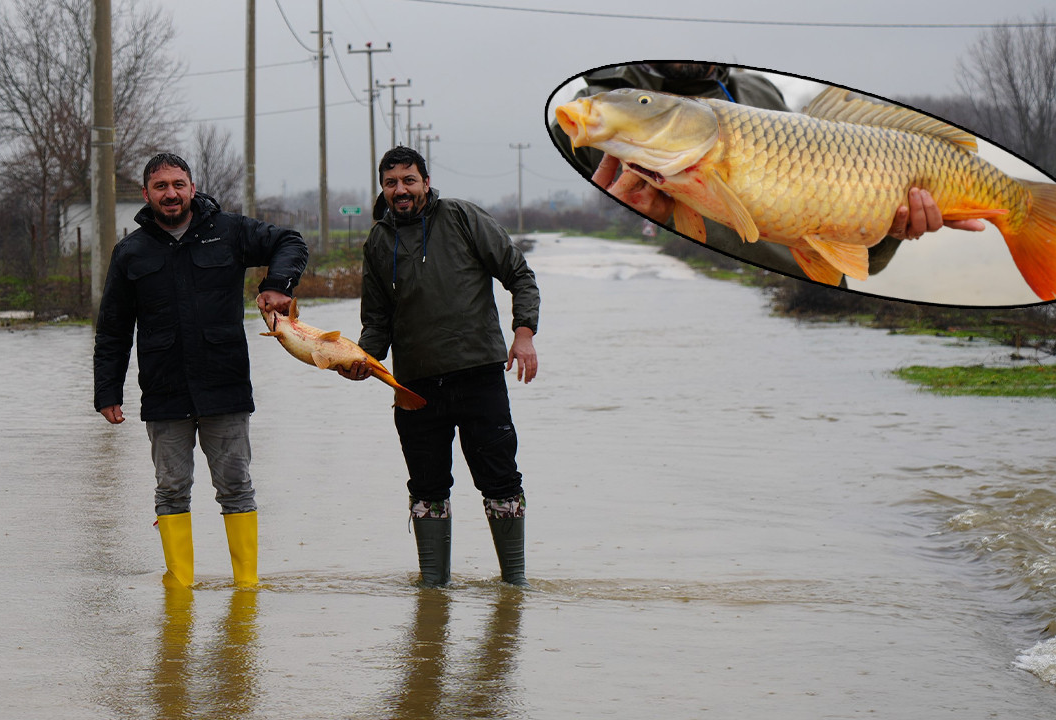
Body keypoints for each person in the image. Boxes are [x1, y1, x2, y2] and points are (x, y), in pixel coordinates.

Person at [548, 62, 983, 281]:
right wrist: (639, 224)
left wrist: (890, 231)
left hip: (806, 331)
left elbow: (844, 255)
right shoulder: (597, 115)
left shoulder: (759, 90)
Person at [93, 152, 308, 589]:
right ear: (146, 194)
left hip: (224, 385)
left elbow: (291, 241)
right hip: (164, 391)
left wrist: (276, 285)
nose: (170, 193)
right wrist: (107, 391)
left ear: (192, 187)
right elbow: (113, 329)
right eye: (160, 186)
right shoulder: (130, 252)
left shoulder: (229, 232)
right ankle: (180, 592)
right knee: (171, 490)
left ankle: (246, 590)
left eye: (177, 184)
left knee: (236, 487)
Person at [339, 146, 540, 588]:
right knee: (427, 488)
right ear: (383, 188)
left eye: (409, 180)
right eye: (391, 182)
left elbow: (519, 273)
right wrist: (361, 360)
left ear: (426, 182)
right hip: (414, 387)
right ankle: (433, 591)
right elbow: (376, 322)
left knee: (501, 479)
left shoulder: (462, 218)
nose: (400, 190)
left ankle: (515, 587)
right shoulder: (377, 241)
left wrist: (523, 332)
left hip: (479, 376)